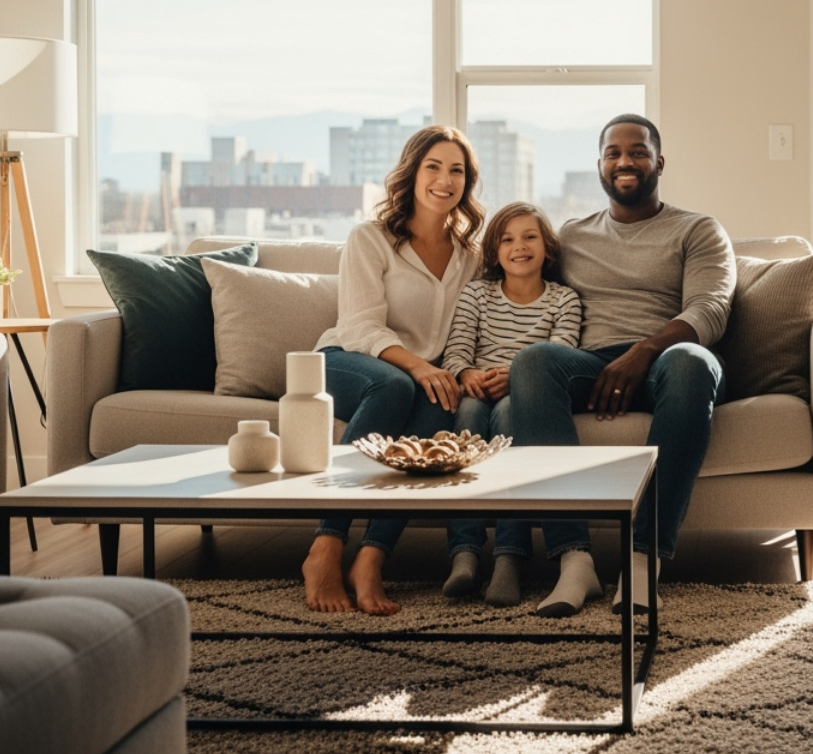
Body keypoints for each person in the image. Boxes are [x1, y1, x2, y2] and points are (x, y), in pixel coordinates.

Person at [506, 113, 734, 617]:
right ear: (600, 165)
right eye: (614, 153)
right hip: (593, 364)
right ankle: (574, 559)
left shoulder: (697, 229)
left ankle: (642, 559)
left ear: (659, 162)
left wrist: (644, 351)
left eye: (637, 151)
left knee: (693, 363)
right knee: (533, 362)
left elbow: (710, 310)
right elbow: (528, 290)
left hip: (668, 362)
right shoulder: (574, 234)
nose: (625, 161)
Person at [302, 125, 486, 616]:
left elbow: (473, 327)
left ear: (467, 183)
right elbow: (360, 326)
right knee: (395, 387)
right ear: (412, 171)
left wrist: (460, 370)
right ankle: (326, 545)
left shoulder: (472, 257)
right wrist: (420, 366)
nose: (445, 180)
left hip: (420, 377)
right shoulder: (370, 238)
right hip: (348, 360)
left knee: (438, 409)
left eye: (457, 171)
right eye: (433, 166)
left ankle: (372, 557)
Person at [439, 201, 583, 604]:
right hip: (476, 389)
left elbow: (561, 355)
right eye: (507, 239)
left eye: (529, 237)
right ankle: (464, 552)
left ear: (548, 248)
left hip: (522, 393)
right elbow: (456, 354)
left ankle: (509, 557)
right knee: (466, 416)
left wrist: (516, 378)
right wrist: (466, 375)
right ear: (494, 252)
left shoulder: (564, 300)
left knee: (507, 417)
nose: (519, 246)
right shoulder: (477, 294)